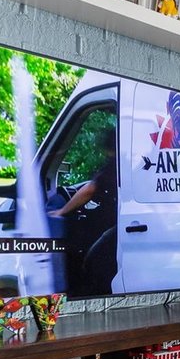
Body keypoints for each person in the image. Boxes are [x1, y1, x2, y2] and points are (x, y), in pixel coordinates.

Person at [50, 123, 119, 295]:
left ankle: (88, 294)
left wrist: (62, 211)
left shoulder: (114, 164)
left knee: (92, 260)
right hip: (117, 224)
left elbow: (89, 190)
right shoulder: (129, 161)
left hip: (116, 228)